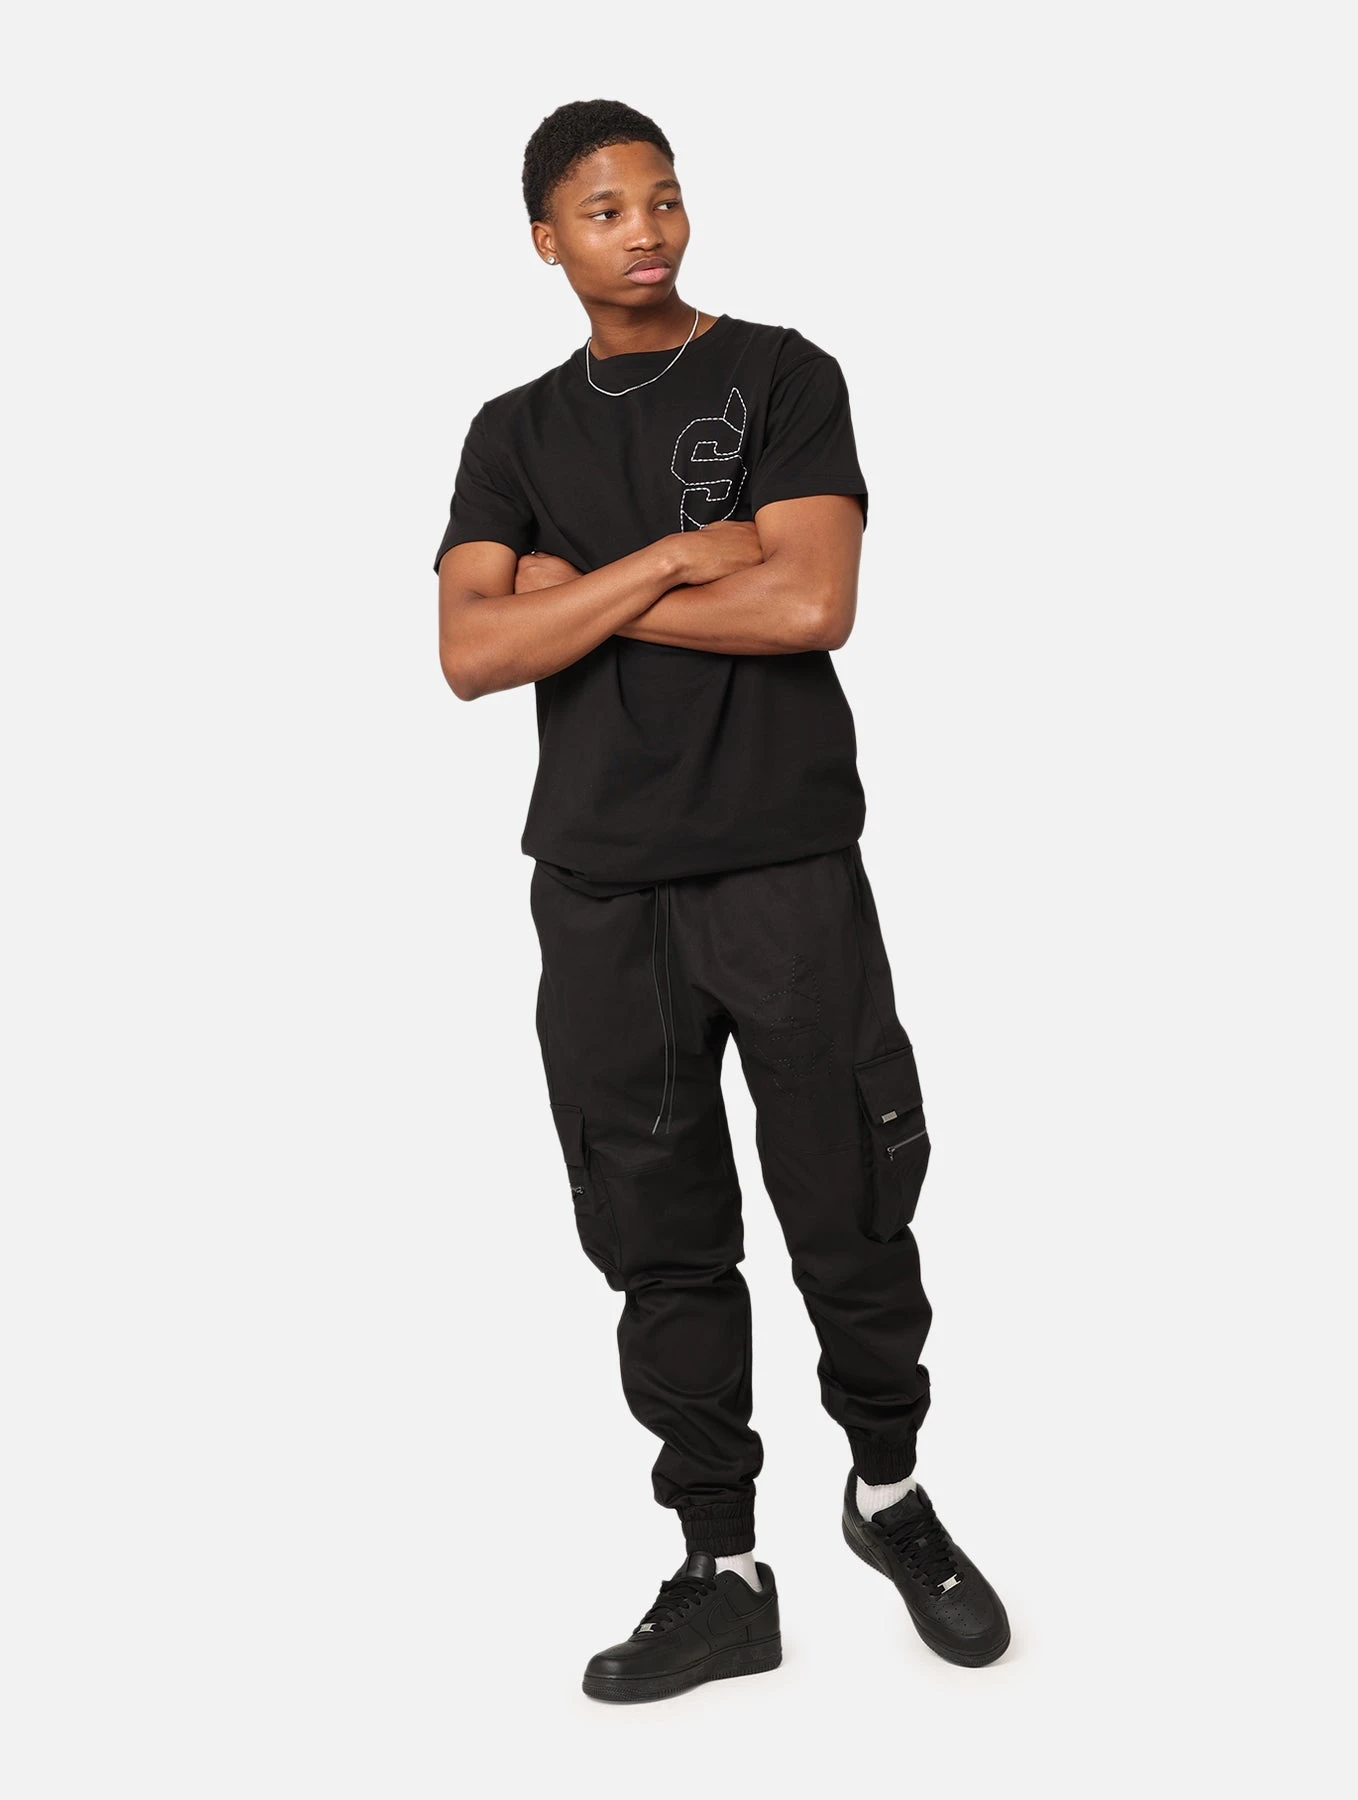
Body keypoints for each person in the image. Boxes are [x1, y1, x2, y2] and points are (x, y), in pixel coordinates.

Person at [434, 97, 1009, 1703]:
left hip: (782, 862)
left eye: (665, 198)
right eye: (607, 210)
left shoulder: (782, 374)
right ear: (546, 241)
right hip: (601, 889)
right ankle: (721, 1571)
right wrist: (684, 559)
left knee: (850, 1195)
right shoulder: (511, 432)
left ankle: (890, 1496)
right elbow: (471, 652)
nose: (647, 229)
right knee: (656, 1227)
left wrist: (573, 592)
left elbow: (812, 599)